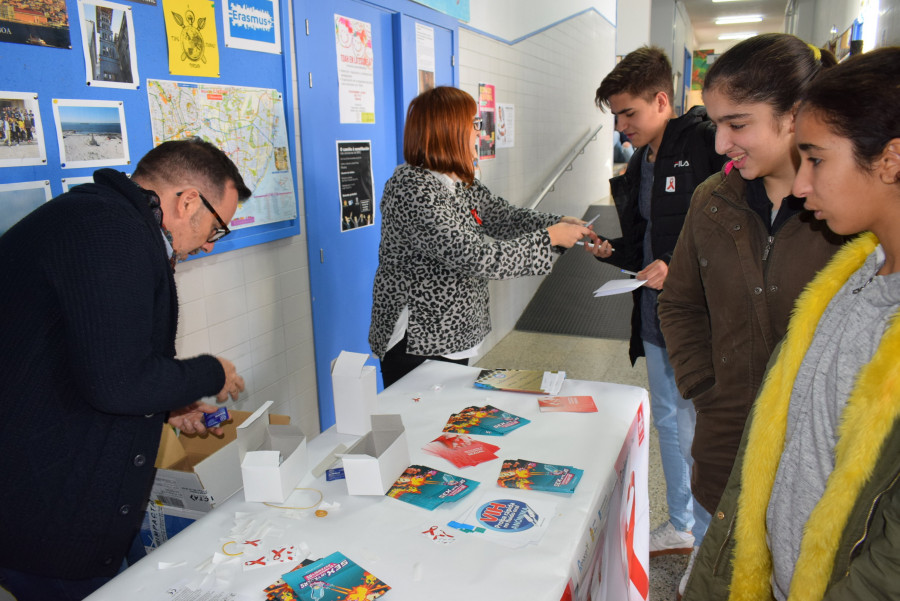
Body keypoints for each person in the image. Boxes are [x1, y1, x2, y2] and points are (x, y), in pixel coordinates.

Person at [683, 45, 900, 601]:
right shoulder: (851, 282)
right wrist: (709, 390)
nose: (803, 186)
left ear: (890, 159)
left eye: (817, 159)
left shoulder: (847, 253)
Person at [0, 138, 251, 601]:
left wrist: (168, 405)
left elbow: (91, 359)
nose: (209, 246)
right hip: (43, 515)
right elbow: (118, 382)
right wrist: (209, 372)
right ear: (188, 201)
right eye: (216, 230)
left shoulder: (102, 220)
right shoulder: (112, 234)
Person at [657, 34, 846, 596]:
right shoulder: (713, 200)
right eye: (715, 124)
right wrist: (705, 388)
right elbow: (680, 302)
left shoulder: (851, 218)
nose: (720, 144)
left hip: (816, 470)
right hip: (725, 450)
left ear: (796, 116)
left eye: (737, 125)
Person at [586, 45, 727, 564]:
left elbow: (731, 228)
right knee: (668, 416)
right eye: (617, 115)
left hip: (700, 313)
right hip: (653, 310)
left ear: (662, 100)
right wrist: (611, 252)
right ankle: (683, 524)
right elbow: (646, 237)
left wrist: (677, 263)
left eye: (630, 112)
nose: (622, 125)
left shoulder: (706, 143)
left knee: (704, 423)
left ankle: (708, 539)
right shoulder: (642, 160)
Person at [369, 86, 591, 387]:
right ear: (449, 130)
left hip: (453, 333)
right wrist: (550, 237)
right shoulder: (412, 188)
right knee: (423, 429)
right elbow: (476, 257)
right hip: (420, 340)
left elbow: (504, 217)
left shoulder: (457, 181)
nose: (479, 132)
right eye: (473, 124)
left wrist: (560, 222)